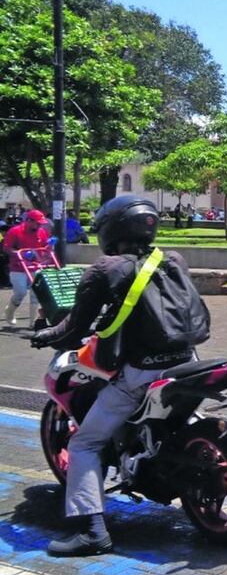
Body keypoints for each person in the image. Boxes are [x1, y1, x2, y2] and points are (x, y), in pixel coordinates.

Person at [30, 196, 209, 556]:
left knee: (84, 444)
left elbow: (74, 327)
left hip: (143, 372)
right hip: (189, 360)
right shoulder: (173, 260)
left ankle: (92, 531)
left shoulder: (105, 269)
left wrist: (45, 335)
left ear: (110, 229)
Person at [3, 209, 50, 326]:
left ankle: (33, 322)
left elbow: (45, 248)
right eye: (37, 223)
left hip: (35, 266)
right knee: (20, 292)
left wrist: (49, 247)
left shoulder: (42, 232)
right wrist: (21, 254)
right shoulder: (15, 231)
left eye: (40, 223)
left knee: (36, 293)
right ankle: (10, 312)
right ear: (29, 221)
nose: (39, 225)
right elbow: (7, 248)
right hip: (18, 267)